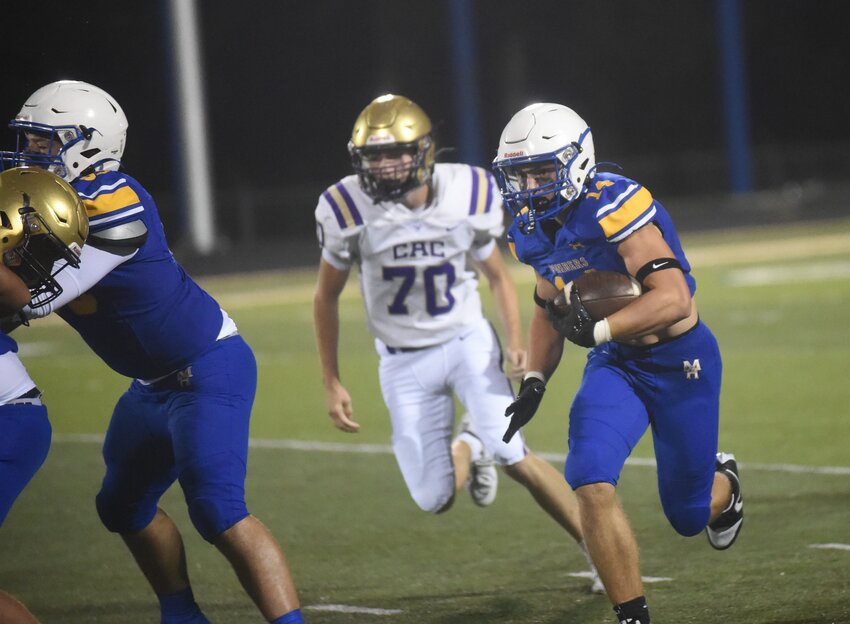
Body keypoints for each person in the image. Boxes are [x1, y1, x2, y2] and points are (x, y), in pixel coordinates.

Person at [2, 81, 305, 624]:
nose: (30, 153)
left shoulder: (115, 199)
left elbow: (33, 300)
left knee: (218, 510)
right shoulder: (44, 204)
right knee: (119, 506)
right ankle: (182, 613)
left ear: (88, 145)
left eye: (45, 142)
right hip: (150, 385)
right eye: (26, 138)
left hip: (209, 368)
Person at [313, 93, 602, 593]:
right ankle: (470, 441)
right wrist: (331, 379)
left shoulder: (467, 191)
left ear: (424, 151)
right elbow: (326, 297)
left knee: (514, 453)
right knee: (435, 497)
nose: (382, 167)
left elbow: (498, 274)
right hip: (401, 360)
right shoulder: (344, 206)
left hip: (467, 341)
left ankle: (599, 552)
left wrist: (516, 341)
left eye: (394, 154)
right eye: (373, 157)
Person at [492, 103, 744, 624]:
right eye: (520, 174)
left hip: (680, 360)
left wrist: (598, 328)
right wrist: (536, 379)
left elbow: (673, 298)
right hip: (616, 364)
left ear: (576, 161)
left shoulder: (613, 203)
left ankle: (728, 487)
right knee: (588, 476)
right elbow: (548, 304)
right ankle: (633, 616)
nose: (529, 185)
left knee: (688, 514)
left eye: (541, 169)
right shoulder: (530, 228)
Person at [0, 166, 90, 624]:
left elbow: (15, 292)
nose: (37, 268)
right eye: (34, 251)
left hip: (8, 419)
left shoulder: (9, 282)